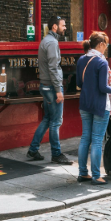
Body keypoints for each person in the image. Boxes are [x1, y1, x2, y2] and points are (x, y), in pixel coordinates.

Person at [76, 32, 111, 185]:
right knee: (96, 140)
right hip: (100, 104)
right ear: (101, 45)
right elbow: (104, 87)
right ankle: (96, 175)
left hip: (85, 103)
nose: (106, 49)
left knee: (85, 138)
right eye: (106, 45)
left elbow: (79, 83)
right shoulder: (102, 62)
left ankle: (83, 173)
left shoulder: (82, 59)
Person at [28, 17, 73, 165]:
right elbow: (53, 68)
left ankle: (33, 149)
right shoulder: (52, 43)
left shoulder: (46, 40)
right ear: (54, 26)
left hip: (46, 86)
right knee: (56, 121)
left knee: (48, 118)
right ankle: (56, 154)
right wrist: (59, 89)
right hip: (52, 87)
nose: (65, 27)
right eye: (63, 25)